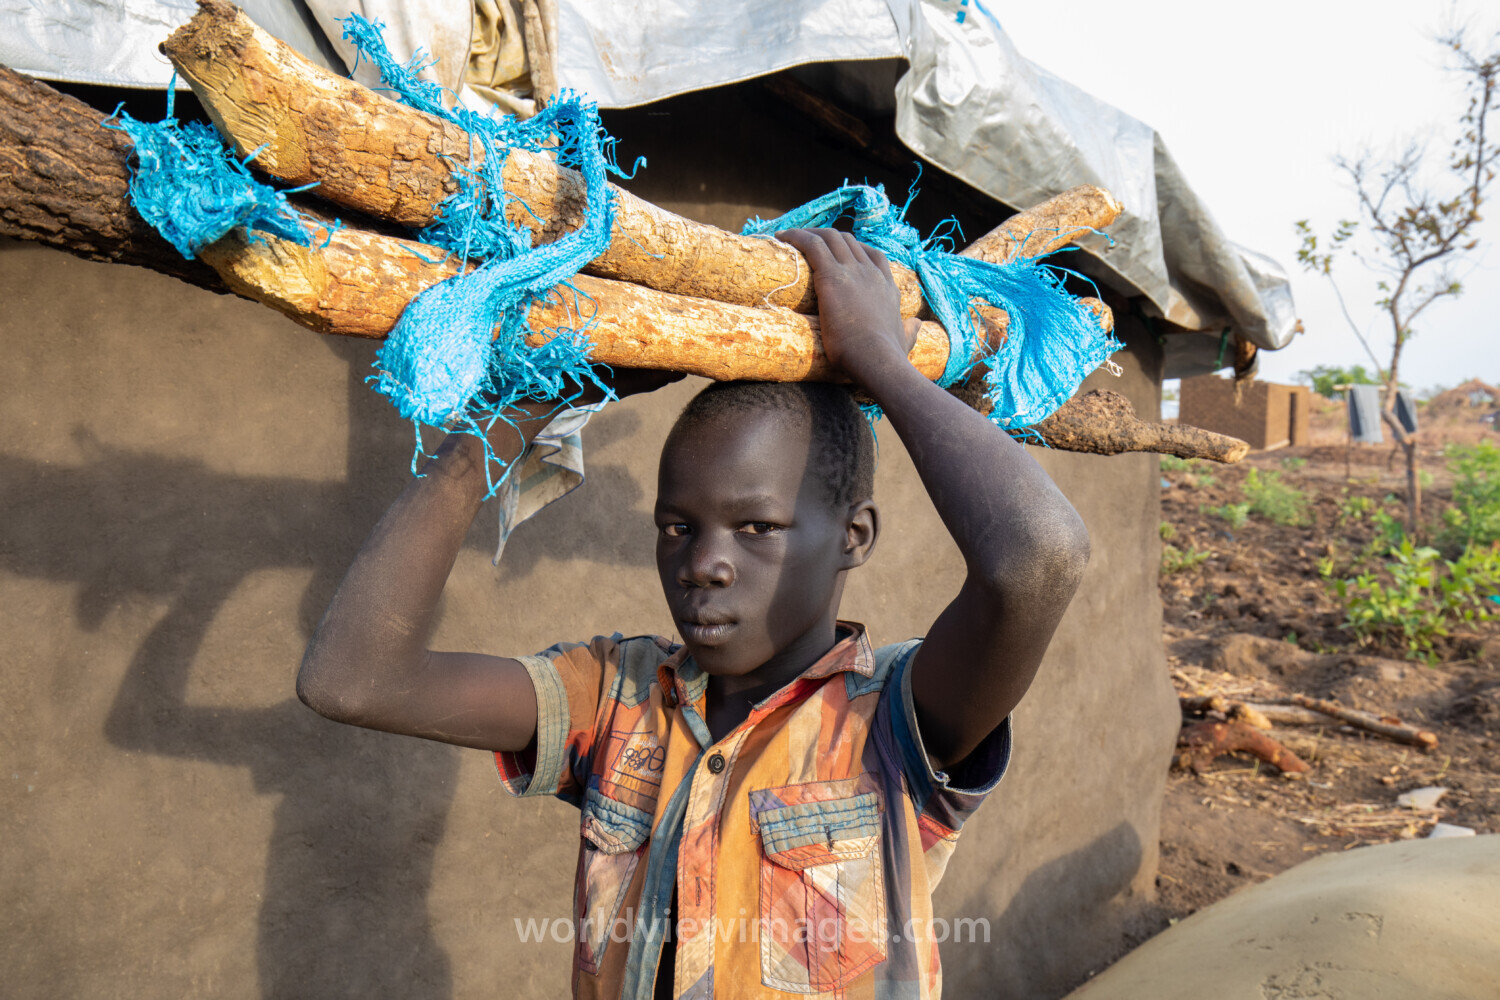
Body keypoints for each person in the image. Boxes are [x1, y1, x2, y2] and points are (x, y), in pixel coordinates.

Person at [297, 227, 1091, 999]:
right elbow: (354, 680)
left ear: (853, 537)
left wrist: (879, 359)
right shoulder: (616, 699)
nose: (703, 564)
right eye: (678, 527)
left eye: (756, 529)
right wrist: (513, 419)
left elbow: (1039, 559)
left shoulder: (896, 722)